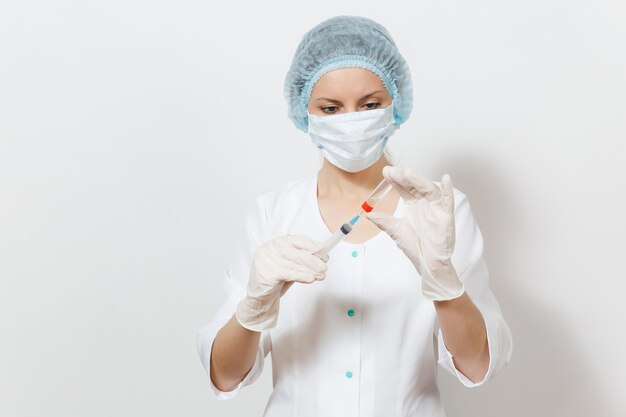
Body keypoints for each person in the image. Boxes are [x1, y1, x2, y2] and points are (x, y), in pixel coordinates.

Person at [197, 15, 512, 416]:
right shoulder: (273, 213)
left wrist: (444, 282)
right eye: (330, 108)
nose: (350, 120)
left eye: (369, 104)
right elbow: (225, 376)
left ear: (395, 101)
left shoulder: (438, 211)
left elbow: (479, 365)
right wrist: (254, 308)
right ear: (304, 111)